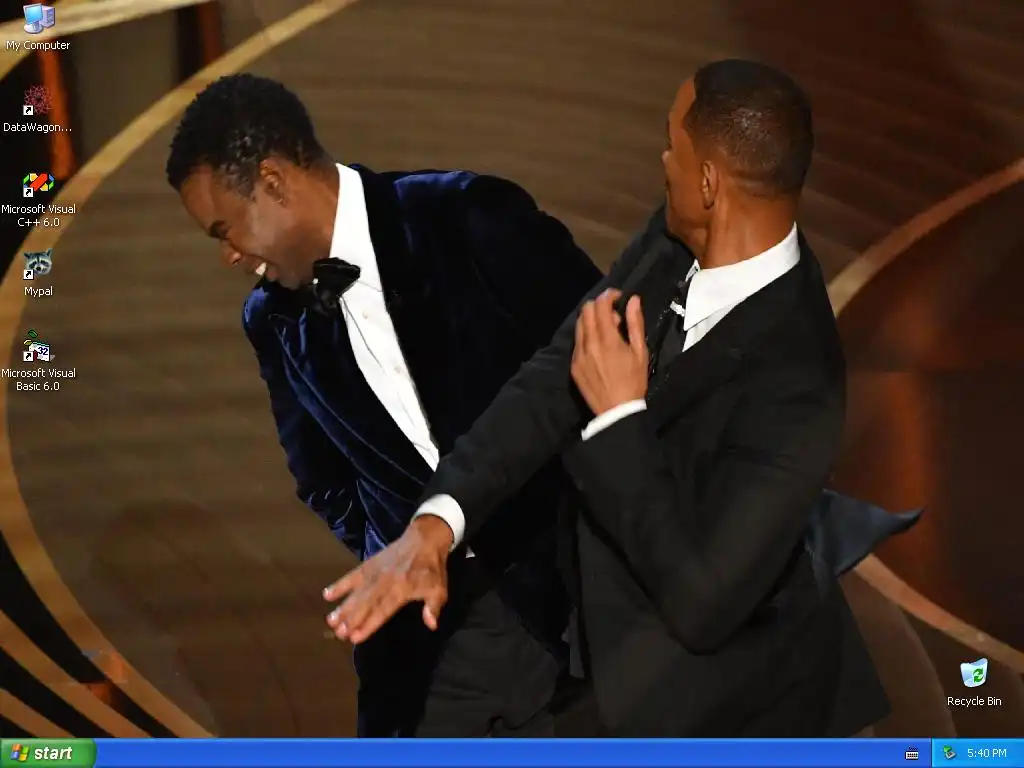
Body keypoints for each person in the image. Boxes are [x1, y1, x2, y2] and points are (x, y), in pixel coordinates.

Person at [321, 60, 904, 737]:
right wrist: (437, 523)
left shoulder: (801, 384)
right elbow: (552, 378)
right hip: (612, 662)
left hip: (733, 716)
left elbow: (703, 604)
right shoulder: (678, 240)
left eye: (671, 145)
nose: (662, 161)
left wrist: (620, 418)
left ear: (709, 183)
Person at [164, 73, 603, 737]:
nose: (229, 256)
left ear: (274, 182)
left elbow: (613, 358)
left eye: (226, 230)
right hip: (431, 640)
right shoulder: (270, 320)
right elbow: (322, 479)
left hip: (576, 603)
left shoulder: (467, 217)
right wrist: (399, 547)